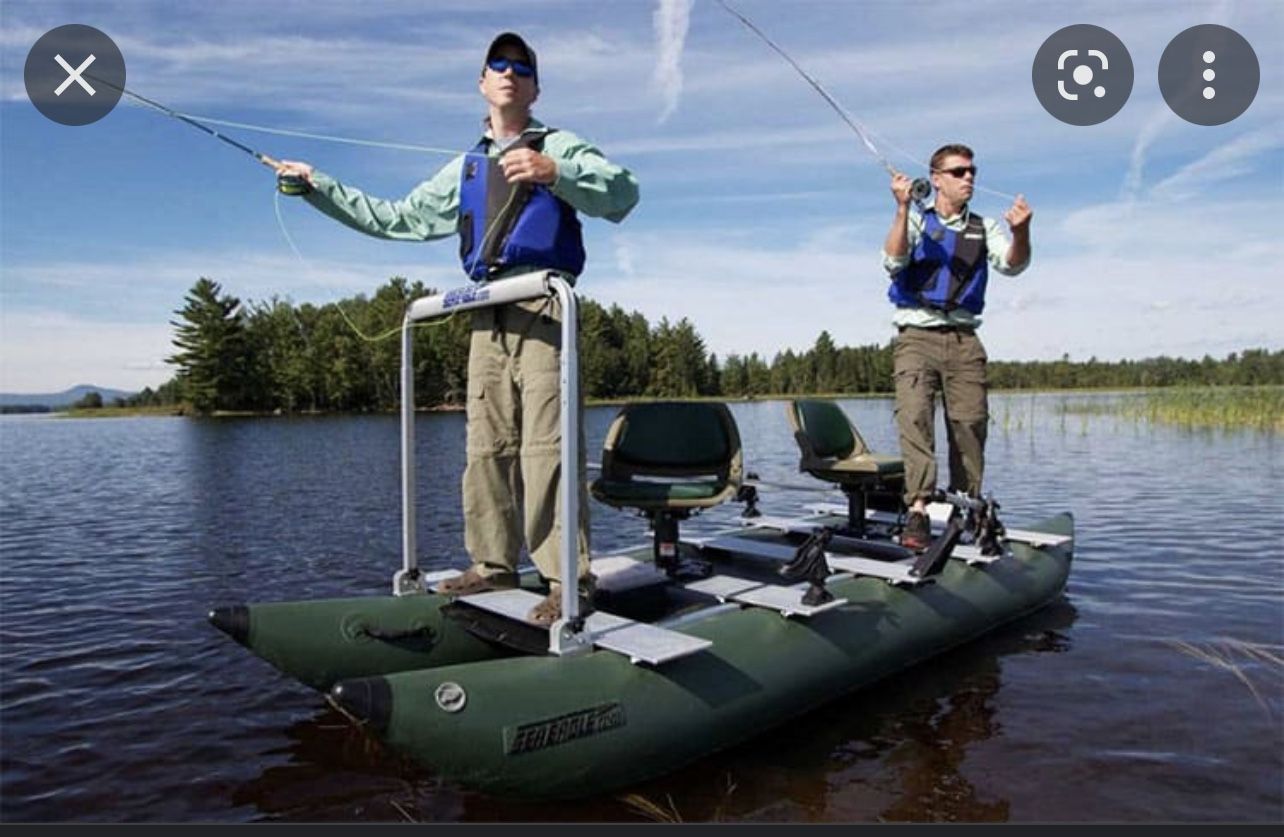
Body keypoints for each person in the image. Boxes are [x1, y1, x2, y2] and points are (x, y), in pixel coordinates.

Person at [274, 32, 639, 624]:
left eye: (522, 66)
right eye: (498, 64)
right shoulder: (465, 168)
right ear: (482, 82)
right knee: (486, 446)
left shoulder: (561, 145)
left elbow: (624, 193)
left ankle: (566, 581)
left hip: (544, 305)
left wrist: (555, 171)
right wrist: (319, 187)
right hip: (483, 312)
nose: (510, 72)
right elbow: (396, 218)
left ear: (535, 87)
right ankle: (493, 568)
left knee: (546, 449)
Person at [881, 144, 1031, 550]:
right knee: (914, 417)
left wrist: (1020, 231)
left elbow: (1013, 265)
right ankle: (917, 509)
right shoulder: (915, 220)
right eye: (959, 172)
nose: (969, 179)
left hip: (965, 340)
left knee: (969, 425)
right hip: (916, 337)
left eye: (972, 172)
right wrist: (900, 209)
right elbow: (893, 261)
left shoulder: (986, 228)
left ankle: (965, 507)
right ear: (936, 179)